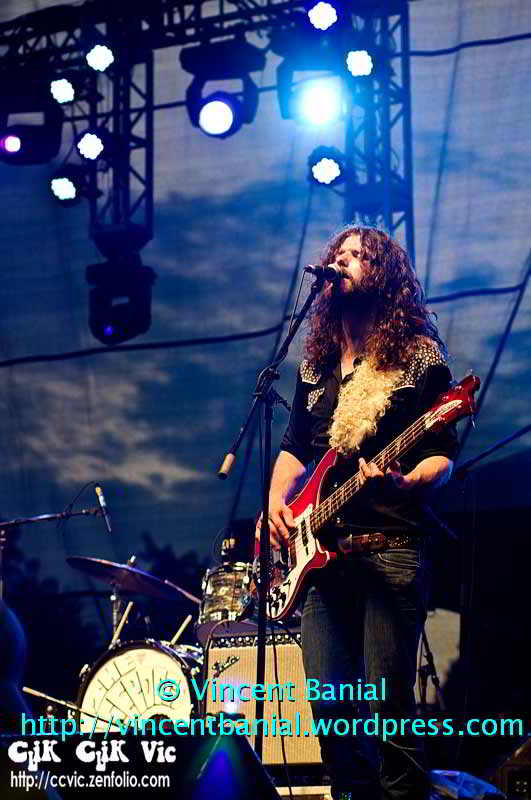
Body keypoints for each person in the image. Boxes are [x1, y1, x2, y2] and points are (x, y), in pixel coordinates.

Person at [256, 226, 459, 800]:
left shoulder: (418, 359)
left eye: (356, 256)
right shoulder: (315, 364)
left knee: (389, 713)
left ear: (385, 274)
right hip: (323, 563)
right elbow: (297, 446)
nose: (341, 262)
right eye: (336, 256)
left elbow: (442, 455)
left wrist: (405, 479)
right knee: (330, 710)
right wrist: (276, 501)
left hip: (389, 550)